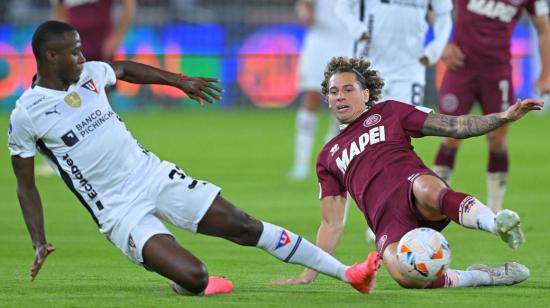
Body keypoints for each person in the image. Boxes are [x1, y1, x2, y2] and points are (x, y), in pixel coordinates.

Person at [8, 21, 382, 296]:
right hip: (119, 212)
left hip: (153, 176)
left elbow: (122, 69)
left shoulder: (89, 74)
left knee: (244, 225)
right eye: (74, 51)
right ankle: (182, 276)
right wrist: (39, 241)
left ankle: (349, 274)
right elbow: (25, 184)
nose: (82, 56)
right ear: (50, 56)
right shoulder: (28, 113)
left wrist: (178, 80)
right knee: (195, 278)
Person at [277, 56, 542, 289]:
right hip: (386, 221)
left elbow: (455, 125)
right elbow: (331, 223)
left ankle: (497, 224)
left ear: (366, 94)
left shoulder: (390, 111)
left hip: (414, 188)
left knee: (427, 188)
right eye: (334, 92)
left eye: (348, 89)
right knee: (405, 276)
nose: (341, 96)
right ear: (328, 100)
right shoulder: (328, 155)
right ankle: (481, 277)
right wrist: (309, 273)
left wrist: (503, 117)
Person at [433, 0, 550, 213]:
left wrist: (546, 74)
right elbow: (431, 7)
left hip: (498, 73)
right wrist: (443, 44)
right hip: (460, 68)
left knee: (498, 139)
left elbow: (543, 27)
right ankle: (433, 204)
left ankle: (495, 211)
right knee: (450, 134)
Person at [335, 0, 453, 105]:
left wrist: (433, 52)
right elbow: (342, 7)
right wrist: (357, 29)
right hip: (370, 66)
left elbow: (444, 16)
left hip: (410, 68)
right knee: (369, 126)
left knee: (407, 126)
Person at [289, 0, 355, 180]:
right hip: (320, 38)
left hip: (348, 38)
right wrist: (305, 10)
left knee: (345, 98)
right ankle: (301, 162)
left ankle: (333, 154)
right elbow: (304, 5)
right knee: (312, 94)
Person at [50, 0, 136, 62]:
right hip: (73, 45)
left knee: (103, 84)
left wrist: (118, 37)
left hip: (101, 45)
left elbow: (128, 4)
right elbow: (59, 11)